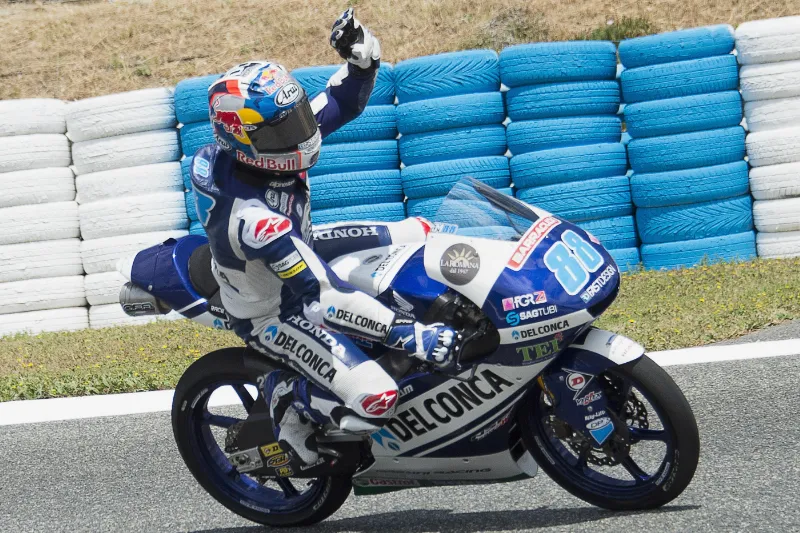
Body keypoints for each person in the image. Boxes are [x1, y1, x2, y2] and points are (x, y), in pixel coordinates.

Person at [189, 8, 457, 466]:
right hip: (274, 309)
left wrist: (362, 60)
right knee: (377, 397)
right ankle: (287, 401)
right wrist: (409, 336)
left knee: (422, 233)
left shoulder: (270, 139)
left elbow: (342, 102)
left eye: (295, 115)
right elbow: (324, 297)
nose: (304, 132)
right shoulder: (254, 218)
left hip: (303, 246)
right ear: (245, 141)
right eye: (286, 126)